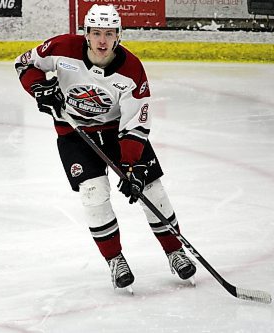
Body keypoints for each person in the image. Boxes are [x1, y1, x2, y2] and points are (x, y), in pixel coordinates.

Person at [14, 4, 196, 290]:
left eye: (109, 34)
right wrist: (39, 89)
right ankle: (115, 260)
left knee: (151, 188)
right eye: (96, 33)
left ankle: (175, 251)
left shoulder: (132, 70)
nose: (102, 41)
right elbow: (25, 64)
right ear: (86, 34)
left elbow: (136, 123)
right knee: (93, 193)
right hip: (75, 134)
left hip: (116, 133)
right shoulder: (62, 48)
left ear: (118, 36)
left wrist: (132, 167)